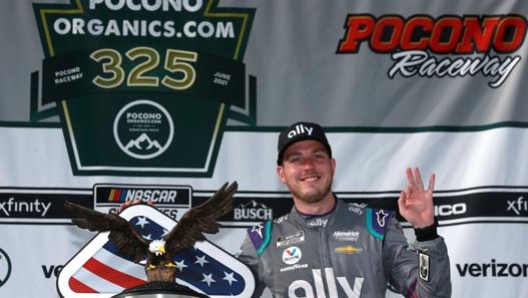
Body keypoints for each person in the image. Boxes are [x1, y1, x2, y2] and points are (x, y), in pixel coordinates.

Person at [236, 121, 451, 298]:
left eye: (317, 156)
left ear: (332, 165)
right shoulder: (262, 239)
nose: (308, 166)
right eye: (296, 159)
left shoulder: (375, 226)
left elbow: (431, 296)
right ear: (281, 173)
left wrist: (426, 233)